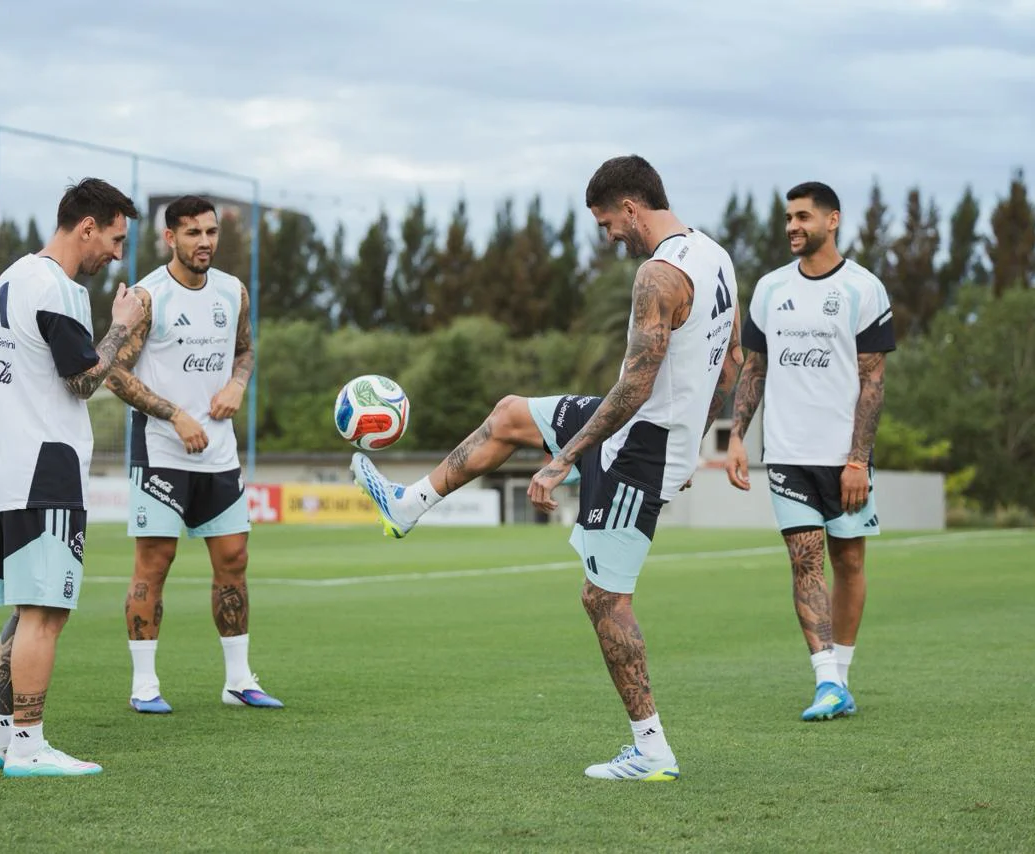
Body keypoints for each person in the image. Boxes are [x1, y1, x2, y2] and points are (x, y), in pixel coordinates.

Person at [351, 155, 742, 781]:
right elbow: (733, 360)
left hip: (640, 448)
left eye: (607, 223)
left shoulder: (658, 275)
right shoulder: (715, 256)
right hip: (651, 431)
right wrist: (695, 435)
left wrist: (564, 458)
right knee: (511, 414)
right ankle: (407, 506)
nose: (608, 236)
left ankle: (652, 750)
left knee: (603, 598)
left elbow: (636, 388)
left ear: (631, 208)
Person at [0, 178, 145, 777]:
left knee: (29, 609)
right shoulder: (57, 288)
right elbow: (82, 380)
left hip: (4, 469)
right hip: (44, 469)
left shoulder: (9, 279)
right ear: (87, 226)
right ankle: (28, 746)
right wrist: (122, 325)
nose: (117, 255)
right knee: (46, 612)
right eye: (116, 240)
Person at [104, 195, 283, 713]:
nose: (205, 242)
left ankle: (238, 681)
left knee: (234, 561)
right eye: (193, 233)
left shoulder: (233, 291)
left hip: (220, 454)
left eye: (211, 232)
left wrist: (238, 385)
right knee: (154, 564)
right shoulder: (148, 297)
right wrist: (175, 416)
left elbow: (245, 349)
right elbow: (112, 372)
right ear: (170, 238)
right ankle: (144, 685)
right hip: (161, 452)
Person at [725, 181, 895, 721]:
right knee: (805, 559)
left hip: (843, 457)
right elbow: (754, 369)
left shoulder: (864, 288)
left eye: (802, 217)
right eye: (788, 218)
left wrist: (858, 460)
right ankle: (825, 680)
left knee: (849, 560)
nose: (792, 227)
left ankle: (841, 676)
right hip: (787, 452)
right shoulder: (770, 288)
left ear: (832, 220)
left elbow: (873, 382)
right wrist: (736, 435)